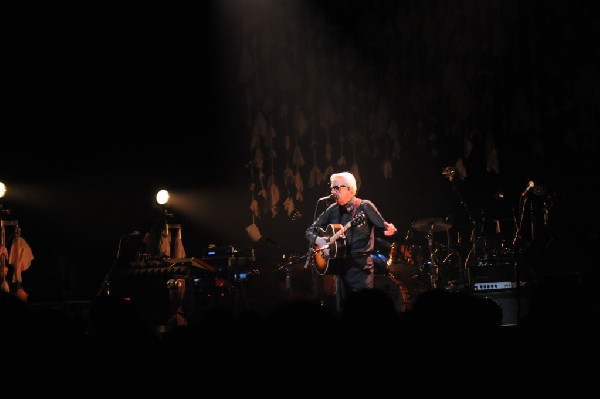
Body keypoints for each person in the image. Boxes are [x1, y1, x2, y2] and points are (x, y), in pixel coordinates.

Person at [305, 171, 397, 311]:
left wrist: (389, 228)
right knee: (343, 308)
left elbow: (383, 224)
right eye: (332, 187)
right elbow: (309, 231)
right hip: (339, 266)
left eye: (337, 187)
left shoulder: (364, 206)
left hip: (361, 267)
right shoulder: (332, 209)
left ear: (349, 189)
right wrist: (321, 241)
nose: (333, 191)